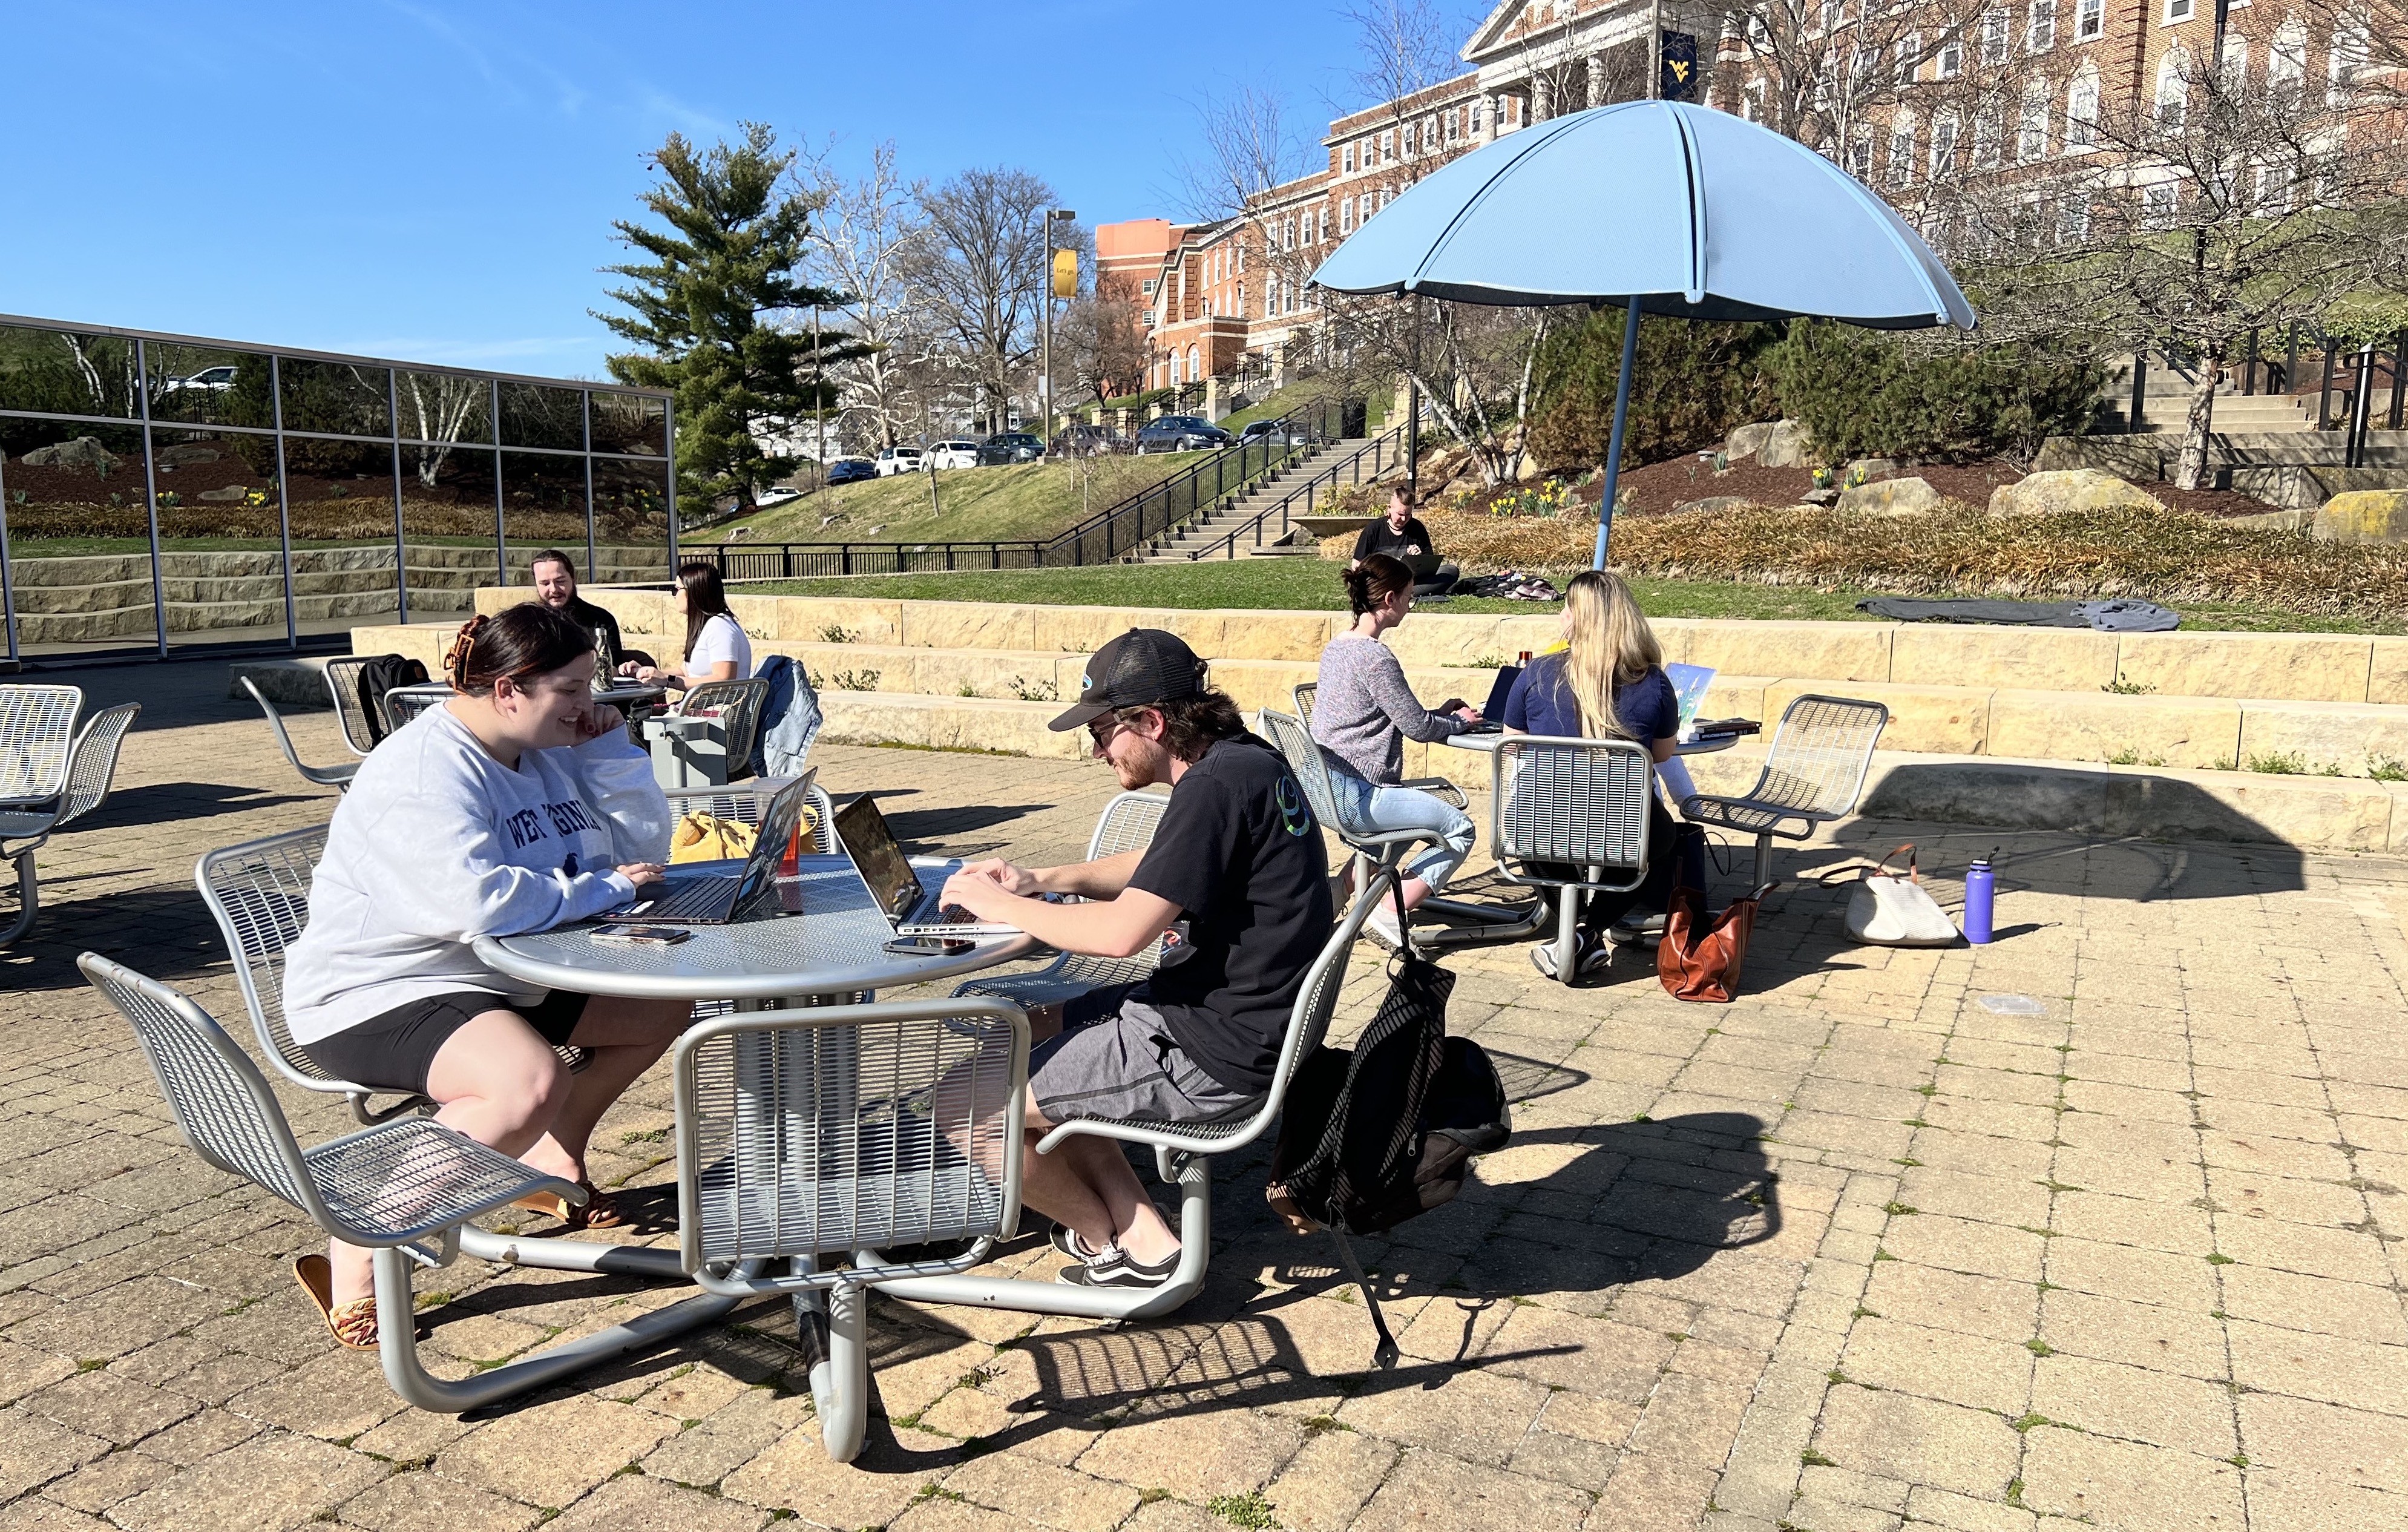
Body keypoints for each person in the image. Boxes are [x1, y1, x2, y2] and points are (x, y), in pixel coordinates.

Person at [280, 603, 689, 1349]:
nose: (588, 705)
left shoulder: (546, 745)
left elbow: (642, 850)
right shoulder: (424, 769)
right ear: (509, 689)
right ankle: (359, 1246)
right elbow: (474, 902)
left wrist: (611, 755)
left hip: (495, 972)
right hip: (377, 989)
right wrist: (603, 890)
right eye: (570, 689)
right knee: (524, 1081)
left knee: (659, 1008)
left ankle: (549, 1155)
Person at [937, 630, 1333, 1288]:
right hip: (1225, 1015)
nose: (1097, 752)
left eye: (1101, 732)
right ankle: (1145, 1233)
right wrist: (1039, 876)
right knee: (1035, 1024)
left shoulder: (1214, 786)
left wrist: (999, 905)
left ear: (1150, 720)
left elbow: (1123, 933)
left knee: (964, 1108)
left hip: (1209, 1049)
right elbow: (1165, 866)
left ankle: (1105, 1242)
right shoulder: (1243, 760)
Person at [1500, 570, 1691, 980]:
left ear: (1580, 618)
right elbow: (1661, 753)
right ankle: (1589, 931)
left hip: (1542, 819)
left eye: (1565, 606)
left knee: (1527, 825)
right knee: (1656, 839)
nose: (1560, 614)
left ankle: (1571, 934)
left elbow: (1511, 744)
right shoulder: (1653, 681)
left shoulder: (1535, 673)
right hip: (1621, 821)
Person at [1309, 553, 1481, 947]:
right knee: (1458, 829)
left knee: (1404, 822)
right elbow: (1417, 728)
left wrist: (1442, 714)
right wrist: (1461, 723)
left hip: (1324, 787)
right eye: (1408, 596)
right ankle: (1388, 913)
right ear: (1389, 598)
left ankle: (1335, 894)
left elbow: (1393, 714)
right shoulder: (1375, 657)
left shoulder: (1338, 647)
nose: (1410, 603)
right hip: (1356, 795)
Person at [625, 561, 751, 694]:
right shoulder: (708, 626)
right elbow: (685, 672)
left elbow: (724, 680)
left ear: (694, 591)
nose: (673, 596)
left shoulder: (720, 627)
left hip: (715, 712)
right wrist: (644, 672)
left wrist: (669, 680)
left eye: (676, 590)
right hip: (699, 709)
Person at [1350, 488, 1457, 594]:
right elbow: (1357, 564)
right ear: (1389, 509)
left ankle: (1403, 593)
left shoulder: (1417, 527)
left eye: (1408, 515)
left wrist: (1418, 557)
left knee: (1451, 571)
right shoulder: (1374, 529)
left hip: (1412, 580)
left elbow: (1429, 566)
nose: (1403, 519)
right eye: (1400, 514)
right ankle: (1404, 593)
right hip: (1383, 582)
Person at [528, 549, 624, 657]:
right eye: (545, 584)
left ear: (573, 578)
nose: (554, 589)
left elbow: (613, 666)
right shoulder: (527, 624)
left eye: (560, 581)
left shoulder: (601, 620)